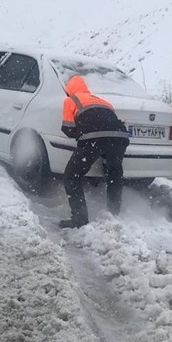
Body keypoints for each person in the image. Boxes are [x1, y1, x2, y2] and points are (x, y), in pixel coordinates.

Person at [59, 75, 130, 228]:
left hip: (94, 138)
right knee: (114, 173)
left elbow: (68, 129)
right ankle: (114, 214)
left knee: (72, 176)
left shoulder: (70, 100)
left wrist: (82, 133)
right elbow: (109, 123)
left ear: (69, 90)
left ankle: (80, 219)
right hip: (120, 138)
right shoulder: (103, 101)